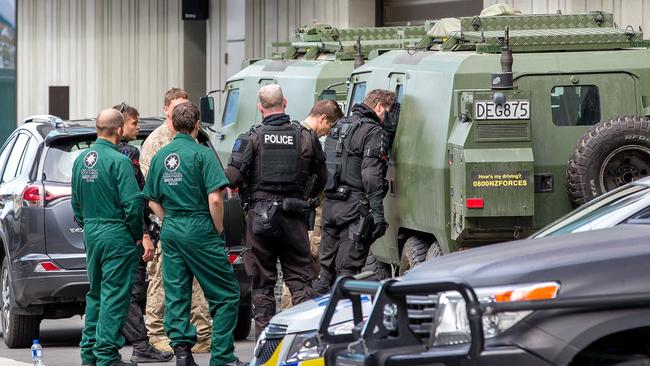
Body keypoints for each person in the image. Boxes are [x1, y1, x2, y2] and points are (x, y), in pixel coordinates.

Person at [143, 102, 245, 366]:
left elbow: (152, 200)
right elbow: (215, 199)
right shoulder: (203, 154)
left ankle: (182, 355)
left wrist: (169, 220)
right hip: (199, 228)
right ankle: (222, 357)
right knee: (226, 294)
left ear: (173, 125)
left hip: (172, 229)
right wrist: (218, 228)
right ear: (197, 125)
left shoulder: (161, 155)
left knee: (176, 293)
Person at [225, 84, 327, 336]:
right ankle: (304, 342)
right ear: (286, 102)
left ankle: (265, 343)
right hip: (295, 218)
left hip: (259, 221)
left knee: (262, 284)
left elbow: (232, 178)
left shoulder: (250, 138)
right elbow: (322, 178)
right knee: (301, 281)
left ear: (260, 107)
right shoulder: (305, 136)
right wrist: (302, 197)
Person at [140, 88, 213, 353]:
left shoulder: (197, 138)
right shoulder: (156, 143)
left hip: (195, 222)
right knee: (162, 281)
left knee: (196, 283)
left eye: (187, 107)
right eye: (177, 108)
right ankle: (158, 333)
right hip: (166, 223)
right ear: (166, 111)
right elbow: (153, 190)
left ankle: (201, 334)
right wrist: (168, 220)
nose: (182, 112)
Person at [72, 108, 144, 366]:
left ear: (97, 129)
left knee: (96, 294)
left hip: (92, 232)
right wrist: (137, 234)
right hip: (117, 234)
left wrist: (90, 225)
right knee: (115, 295)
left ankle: (89, 354)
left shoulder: (81, 160)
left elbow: (76, 204)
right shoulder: (120, 161)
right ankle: (106, 355)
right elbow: (133, 204)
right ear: (119, 129)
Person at [313, 89, 400, 295]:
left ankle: (317, 322)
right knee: (348, 274)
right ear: (378, 107)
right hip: (354, 210)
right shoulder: (372, 132)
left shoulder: (338, 127)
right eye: (387, 112)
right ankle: (344, 322)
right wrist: (377, 213)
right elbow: (371, 176)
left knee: (325, 273)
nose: (387, 118)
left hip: (331, 208)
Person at [113, 102, 174, 363]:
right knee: (134, 291)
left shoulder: (94, 156)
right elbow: (136, 199)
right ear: (121, 126)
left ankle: (109, 346)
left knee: (111, 291)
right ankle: (140, 344)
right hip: (129, 235)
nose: (138, 128)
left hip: (104, 234)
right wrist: (145, 234)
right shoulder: (128, 154)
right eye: (134, 123)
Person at [281, 99, 343, 309]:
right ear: (323, 118)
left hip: (295, 215)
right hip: (308, 219)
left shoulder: (294, 135)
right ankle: (293, 321)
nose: (328, 131)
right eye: (330, 126)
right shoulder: (309, 140)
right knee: (304, 270)